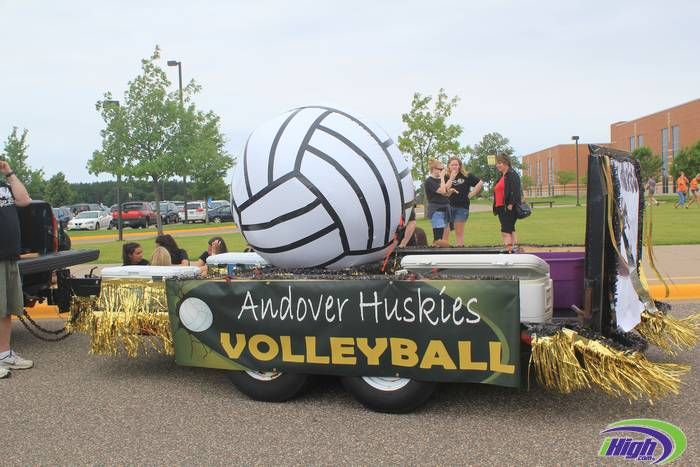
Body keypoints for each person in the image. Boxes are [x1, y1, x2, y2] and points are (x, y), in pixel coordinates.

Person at [0, 160, 34, 379]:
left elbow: (24, 200)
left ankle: (4, 354)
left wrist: (9, 173)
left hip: (8, 257)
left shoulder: (4, 187)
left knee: (5, 308)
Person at [445, 156, 483, 247]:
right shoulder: (446, 176)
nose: (454, 166)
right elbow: (445, 190)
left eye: (456, 164)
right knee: (445, 233)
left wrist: (472, 194)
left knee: (459, 233)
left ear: (459, 166)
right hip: (448, 207)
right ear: (449, 166)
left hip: (462, 207)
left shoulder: (466, 175)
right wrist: (452, 177)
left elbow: (480, 182)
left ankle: (460, 251)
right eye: (452, 165)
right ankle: (445, 252)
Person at [492, 154, 522, 253]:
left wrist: (511, 204)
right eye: (497, 163)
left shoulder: (512, 174)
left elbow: (516, 191)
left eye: (500, 163)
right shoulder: (502, 176)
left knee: (505, 231)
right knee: (511, 230)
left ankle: (509, 252)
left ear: (506, 163)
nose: (498, 165)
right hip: (501, 207)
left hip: (508, 208)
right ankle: (514, 251)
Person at [424, 159, 453, 244]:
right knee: (438, 238)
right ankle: (435, 253)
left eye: (443, 169)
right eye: (440, 169)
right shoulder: (429, 181)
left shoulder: (440, 180)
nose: (442, 171)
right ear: (433, 169)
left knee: (443, 238)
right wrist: (442, 178)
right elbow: (442, 191)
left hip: (445, 210)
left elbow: (446, 192)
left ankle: (440, 252)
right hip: (436, 211)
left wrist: (451, 179)